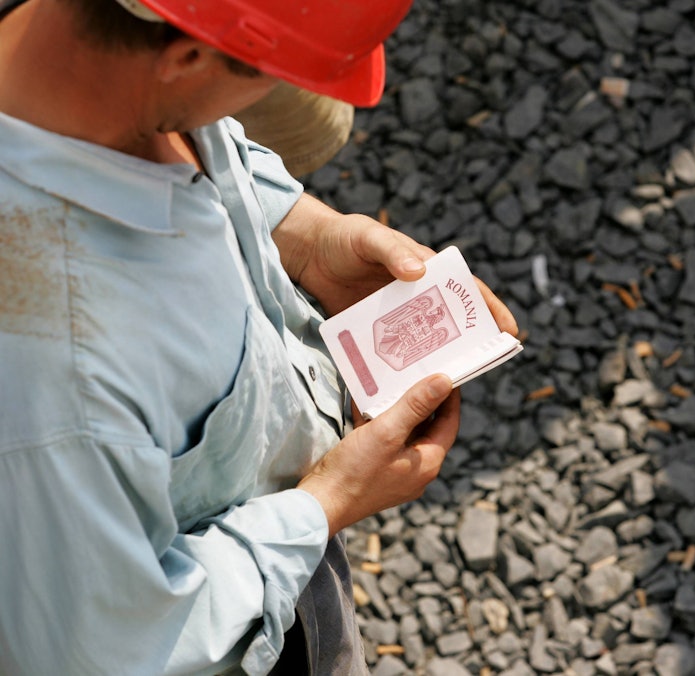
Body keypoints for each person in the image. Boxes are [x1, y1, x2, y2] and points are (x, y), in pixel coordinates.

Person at [0, 0, 517, 674]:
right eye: (272, 75)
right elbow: (102, 651)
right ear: (187, 55)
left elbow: (198, 138)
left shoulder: (73, 59)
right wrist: (325, 505)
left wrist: (305, 235)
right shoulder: (61, 372)